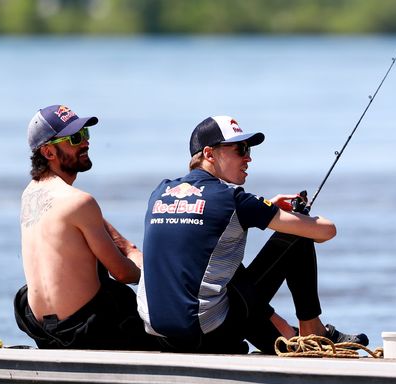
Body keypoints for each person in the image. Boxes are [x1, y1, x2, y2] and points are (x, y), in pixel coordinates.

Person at [138, 115, 368, 354]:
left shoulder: (160, 192)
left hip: (159, 333)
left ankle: (285, 335)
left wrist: (265, 206)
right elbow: (326, 231)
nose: (249, 158)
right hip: (205, 334)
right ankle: (312, 330)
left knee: (209, 253)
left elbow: (202, 220)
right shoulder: (234, 200)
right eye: (240, 149)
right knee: (295, 237)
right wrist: (297, 219)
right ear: (209, 154)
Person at [13, 104, 159, 352]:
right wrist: (160, 275)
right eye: (75, 138)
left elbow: (102, 233)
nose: (86, 143)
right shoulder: (79, 201)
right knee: (133, 304)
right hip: (85, 330)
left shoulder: (30, 195)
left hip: (44, 332)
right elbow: (124, 274)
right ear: (48, 151)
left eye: (86, 135)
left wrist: (130, 249)